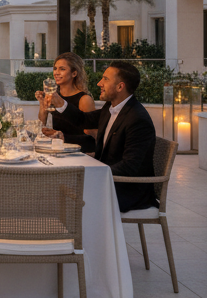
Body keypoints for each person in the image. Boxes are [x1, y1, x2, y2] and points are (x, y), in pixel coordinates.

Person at [43, 60, 157, 213]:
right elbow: (84, 120)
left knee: (71, 188)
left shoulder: (137, 119)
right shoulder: (110, 107)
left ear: (120, 87)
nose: (99, 83)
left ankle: (88, 235)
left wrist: (93, 172)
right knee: (60, 184)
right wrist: (61, 106)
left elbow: (129, 167)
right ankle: (76, 234)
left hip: (128, 189)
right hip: (110, 180)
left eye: (105, 79)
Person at [36, 52, 96, 152]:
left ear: (74, 73)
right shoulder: (55, 96)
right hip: (58, 150)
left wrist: (62, 136)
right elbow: (41, 126)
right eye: (55, 68)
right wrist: (42, 105)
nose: (56, 72)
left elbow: (92, 138)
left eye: (62, 69)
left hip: (78, 153)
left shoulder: (84, 99)